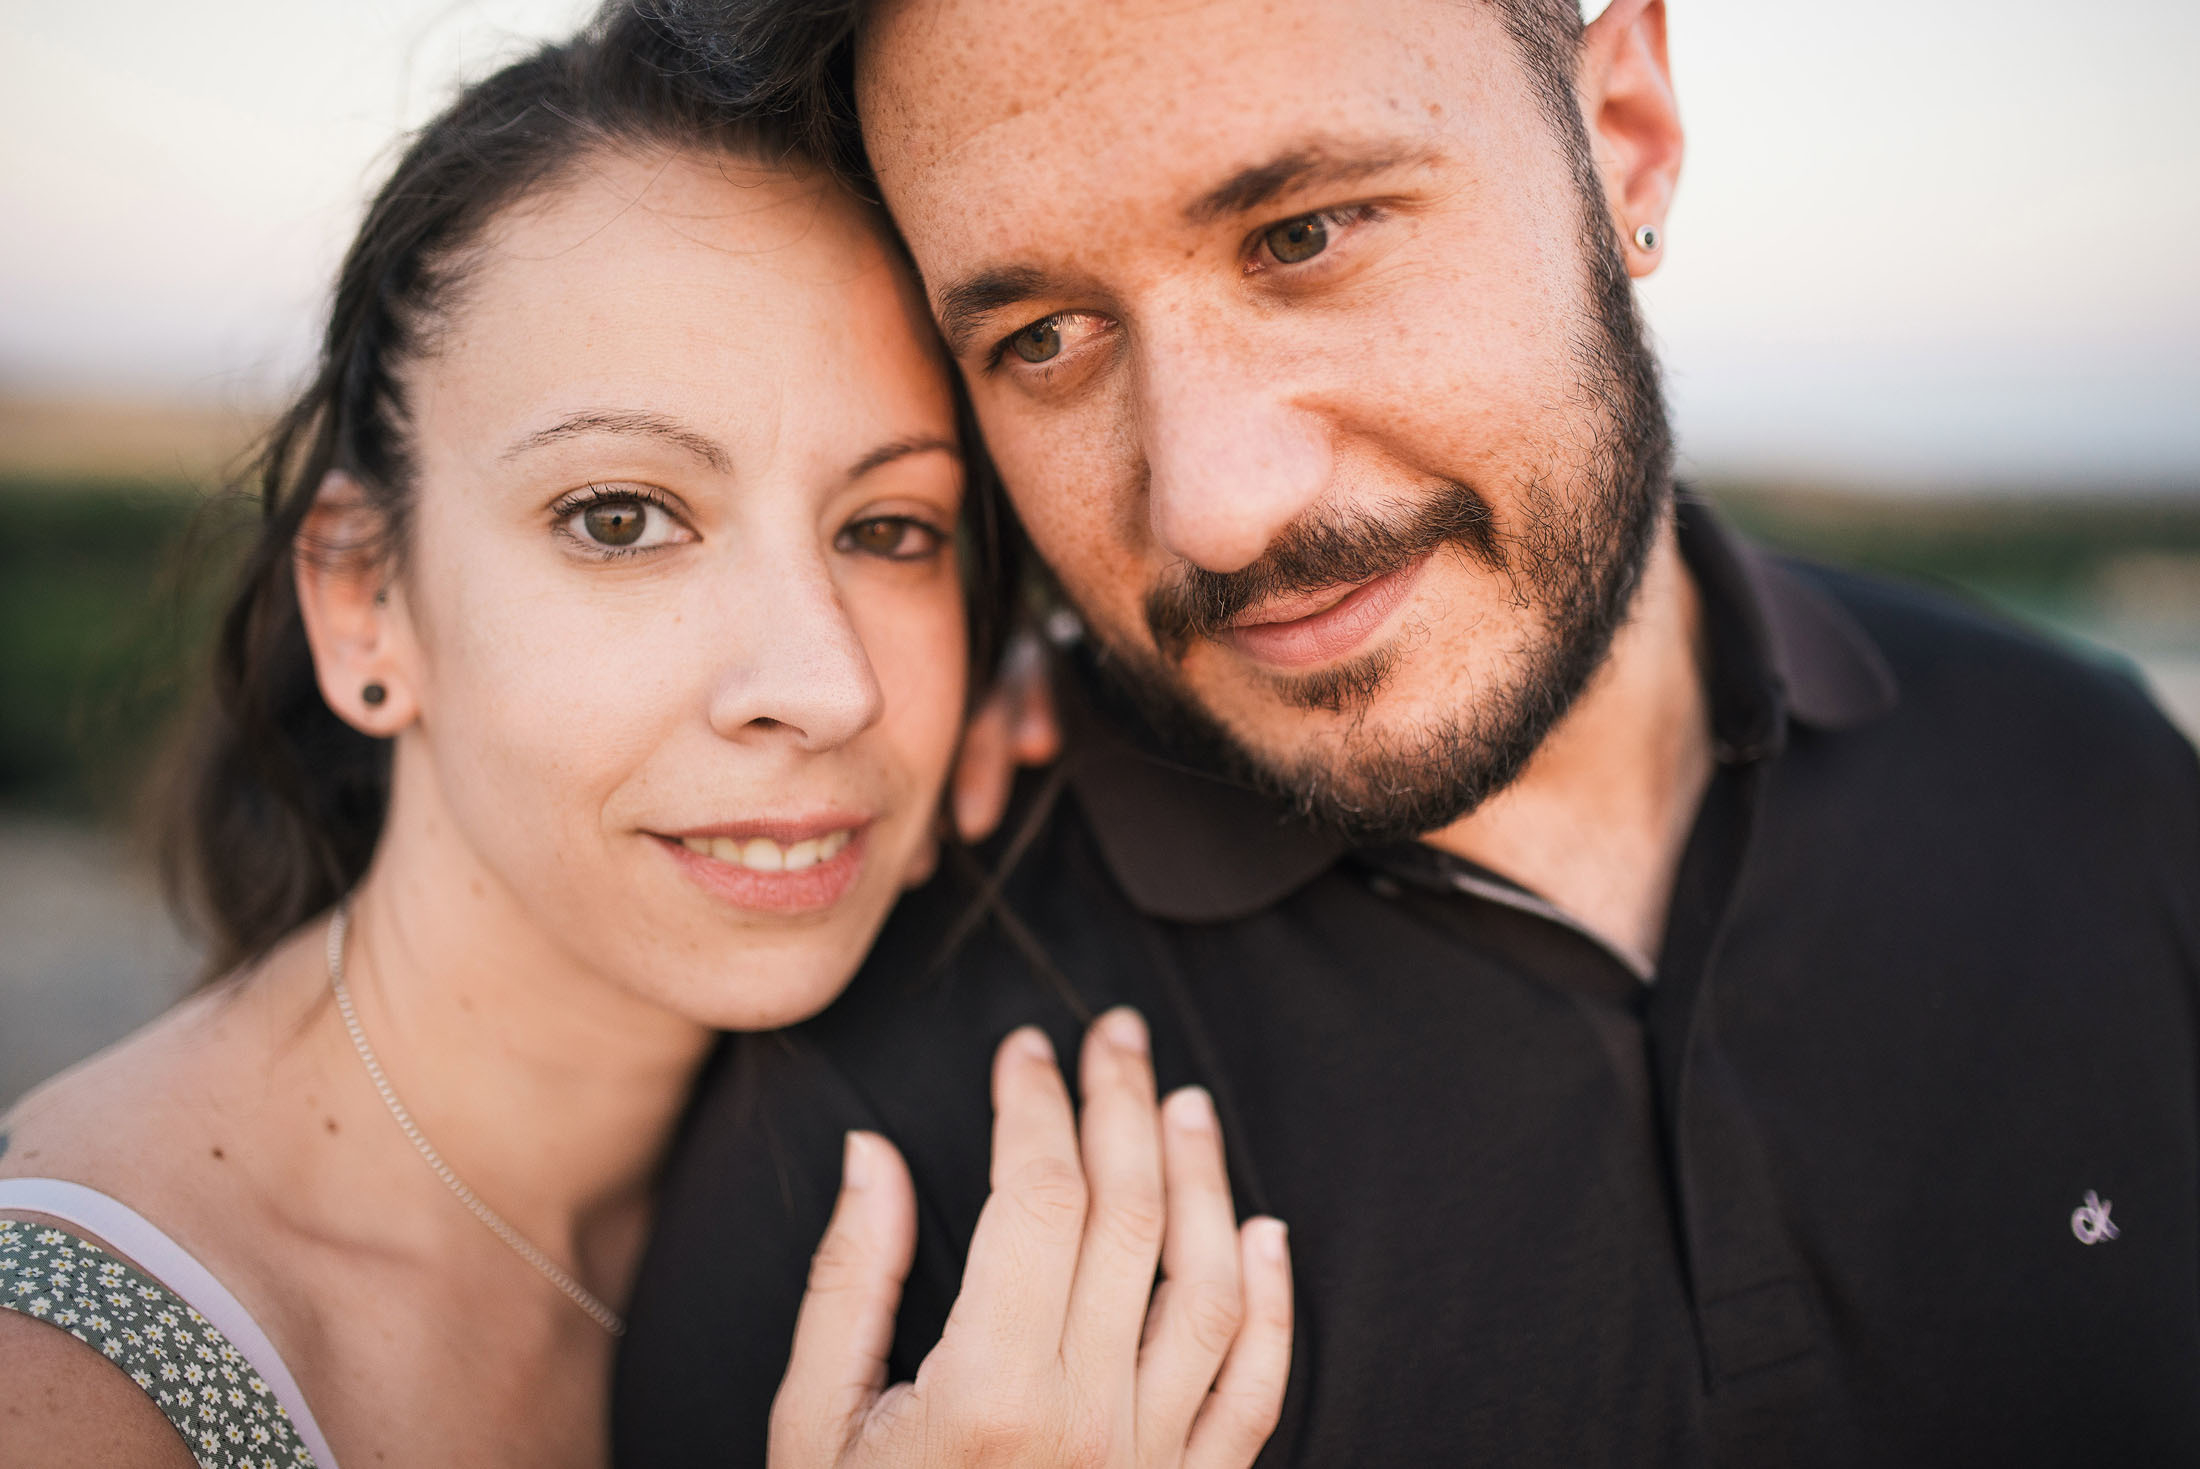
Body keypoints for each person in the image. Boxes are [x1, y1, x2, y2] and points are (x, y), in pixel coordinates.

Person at [612, 0, 2200, 1464]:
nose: (1217, 504)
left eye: (1303, 234)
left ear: (1623, 132)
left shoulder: (2102, 784)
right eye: (1042, 337)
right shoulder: (859, 1154)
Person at [0, 8, 1295, 1468]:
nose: (825, 685)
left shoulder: (874, 1139)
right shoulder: (74, 1382)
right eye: (620, 518)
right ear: (364, 601)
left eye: (890, 529)